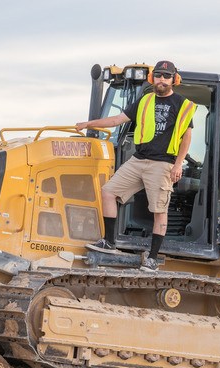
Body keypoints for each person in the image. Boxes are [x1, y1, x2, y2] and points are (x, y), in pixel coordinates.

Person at [76, 60, 197, 272]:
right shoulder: (145, 100)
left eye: (166, 76)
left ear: (174, 80)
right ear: (153, 78)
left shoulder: (182, 104)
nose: (162, 79)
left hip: (162, 163)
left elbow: (187, 136)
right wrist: (89, 124)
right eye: (158, 75)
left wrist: (178, 164)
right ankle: (109, 242)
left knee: (159, 210)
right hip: (138, 160)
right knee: (108, 192)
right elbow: (116, 120)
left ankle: (152, 258)